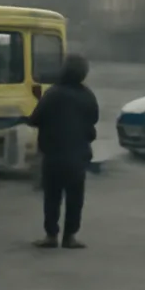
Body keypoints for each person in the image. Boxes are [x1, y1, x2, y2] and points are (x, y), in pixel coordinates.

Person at [26, 53, 99, 249]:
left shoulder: (53, 93)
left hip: (53, 155)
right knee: (75, 198)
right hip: (78, 156)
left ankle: (51, 235)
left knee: (52, 197)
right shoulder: (87, 95)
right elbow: (93, 119)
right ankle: (70, 237)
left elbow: (35, 119)